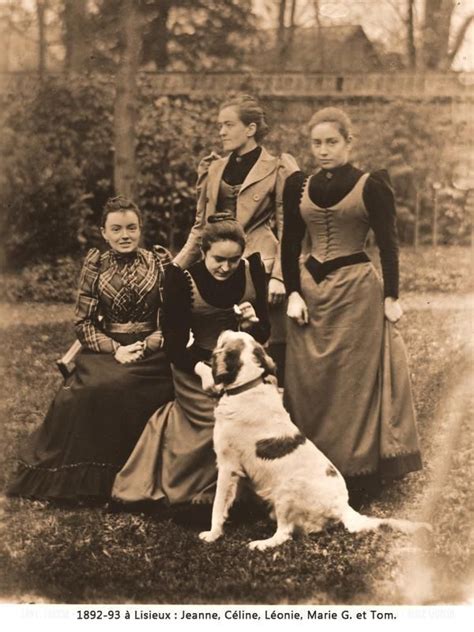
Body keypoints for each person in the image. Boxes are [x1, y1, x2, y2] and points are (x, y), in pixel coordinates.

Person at [281, 107, 422, 505]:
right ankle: (308, 465)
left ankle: (355, 472)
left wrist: (391, 296)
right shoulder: (298, 185)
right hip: (310, 292)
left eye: (331, 142)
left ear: (348, 142)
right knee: (309, 381)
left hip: (357, 291)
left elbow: (389, 246)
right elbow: (290, 242)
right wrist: (293, 292)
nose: (323, 150)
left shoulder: (371, 184)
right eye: (316, 143)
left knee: (352, 385)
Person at [6, 196, 174, 502]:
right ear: (104, 232)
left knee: (141, 386)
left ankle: (141, 473)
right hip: (108, 350)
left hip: (154, 350)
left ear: (140, 229)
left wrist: (155, 339)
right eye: (117, 228)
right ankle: (92, 480)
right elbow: (83, 324)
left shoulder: (160, 262)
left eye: (132, 227)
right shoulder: (96, 265)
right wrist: (115, 349)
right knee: (92, 389)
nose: (125, 235)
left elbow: (175, 313)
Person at [112, 213, 270, 507]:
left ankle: (247, 495)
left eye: (233, 260)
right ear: (203, 252)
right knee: (216, 423)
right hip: (194, 365)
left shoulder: (252, 270)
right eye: (218, 259)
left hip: (241, 367)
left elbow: (264, 333)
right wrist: (203, 371)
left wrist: (251, 323)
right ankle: (203, 496)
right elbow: (173, 345)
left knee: (258, 418)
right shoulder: (181, 279)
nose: (226, 267)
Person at [174, 93, 298, 385]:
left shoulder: (276, 167)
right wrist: (175, 267)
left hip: (260, 263)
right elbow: (200, 227)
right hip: (218, 264)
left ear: (251, 128)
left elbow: (288, 228)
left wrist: (280, 276)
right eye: (220, 125)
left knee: (267, 343)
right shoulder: (214, 168)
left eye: (228, 125)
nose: (221, 132)